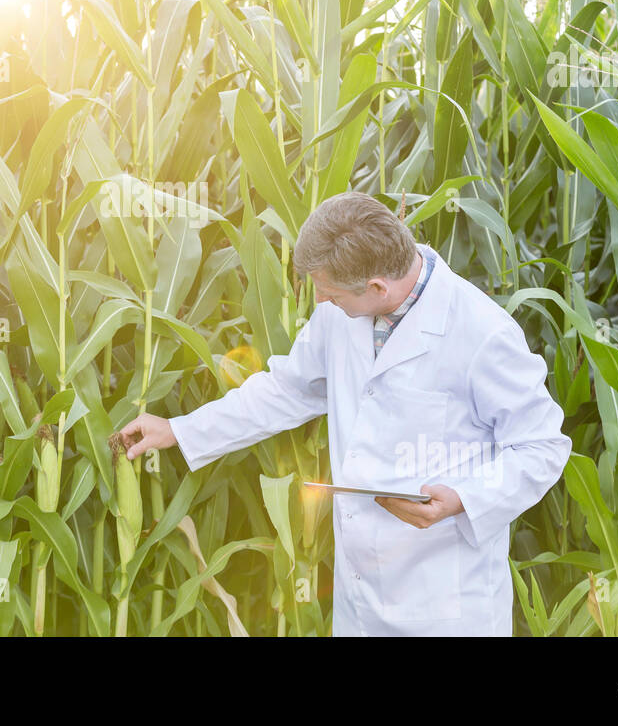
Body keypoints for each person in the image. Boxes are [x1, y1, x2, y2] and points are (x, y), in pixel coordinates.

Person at [117, 191, 572, 635]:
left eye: (331, 295)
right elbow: (285, 390)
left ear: (376, 287)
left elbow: (542, 447)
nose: (321, 303)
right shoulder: (342, 315)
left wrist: (463, 500)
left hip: (443, 601)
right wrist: (180, 429)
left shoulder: (482, 333)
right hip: (359, 599)